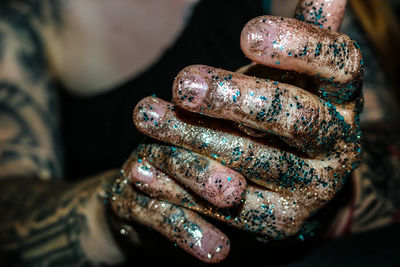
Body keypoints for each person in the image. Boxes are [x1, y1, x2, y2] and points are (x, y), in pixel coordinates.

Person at [1, 0, 399, 265]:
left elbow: (384, 139)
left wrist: (327, 187)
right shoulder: (24, 20)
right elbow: (9, 205)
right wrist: (128, 204)